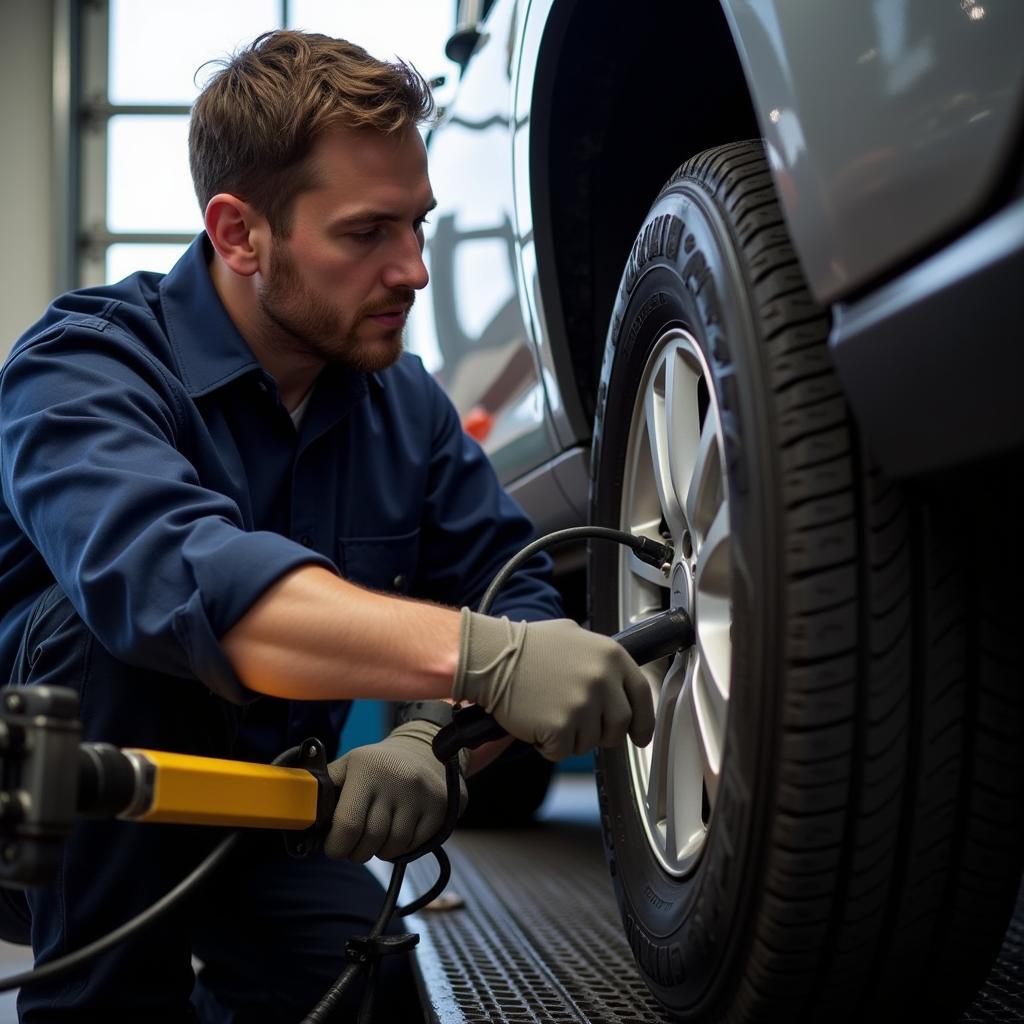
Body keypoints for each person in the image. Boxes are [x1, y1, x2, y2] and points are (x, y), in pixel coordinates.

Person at [0, 29, 654, 1022]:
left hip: (260, 809)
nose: (415, 271)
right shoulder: (84, 366)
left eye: (419, 226)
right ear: (238, 234)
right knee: (117, 647)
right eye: (366, 234)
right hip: (72, 807)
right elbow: (185, 585)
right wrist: (487, 661)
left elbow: (511, 587)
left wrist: (434, 738)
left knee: (371, 987)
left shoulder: (403, 405)